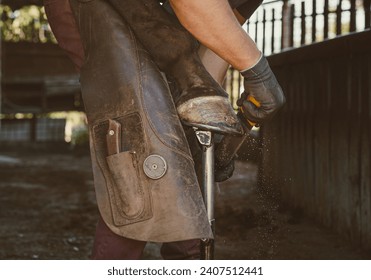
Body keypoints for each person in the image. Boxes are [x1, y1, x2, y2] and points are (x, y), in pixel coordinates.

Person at [44, 0, 285, 260]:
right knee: (141, 164)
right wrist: (259, 72)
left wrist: (197, 133)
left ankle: (186, 256)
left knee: (180, 164)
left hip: (159, 25)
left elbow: (216, 40)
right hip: (97, 8)